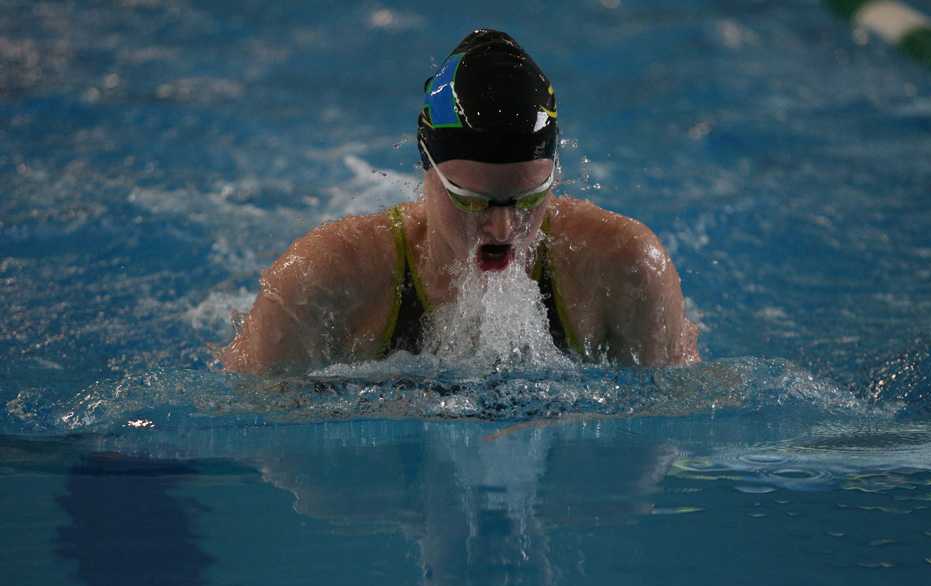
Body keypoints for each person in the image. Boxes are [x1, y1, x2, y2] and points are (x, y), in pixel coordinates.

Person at [222, 29, 699, 374]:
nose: (502, 227)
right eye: (473, 201)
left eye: (530, 197)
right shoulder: (322, 280)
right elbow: (248, 417)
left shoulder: (627, 267)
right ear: (426, 170)